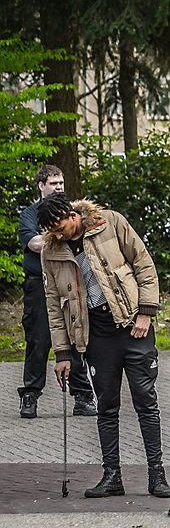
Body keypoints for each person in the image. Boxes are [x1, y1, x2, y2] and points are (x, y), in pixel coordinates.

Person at [39, 193, 170, 499]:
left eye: (60, 226)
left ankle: (157, 475)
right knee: (106, 407)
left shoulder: (109, 222)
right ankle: (112, 476)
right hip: (95, 336)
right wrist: (62, 352)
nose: (58, 234)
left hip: (133, 327)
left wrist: (146, 312)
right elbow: (53, 305)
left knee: (145, 401)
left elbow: (143, 264)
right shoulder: (51, 251)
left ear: (72, 214)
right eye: (52, 231)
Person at [17, 165, 95, 418]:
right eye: (53, 183)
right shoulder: (30, 214)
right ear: (41, 185)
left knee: (77, 336)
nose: (59, 187)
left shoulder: (71, 211)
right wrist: (57, 236)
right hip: (40, 284)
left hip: (70, 281)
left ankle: (82, 396)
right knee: (39, 340)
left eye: (61, 183)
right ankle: (30, 394)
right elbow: (34, 243)